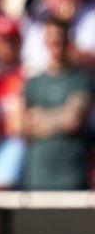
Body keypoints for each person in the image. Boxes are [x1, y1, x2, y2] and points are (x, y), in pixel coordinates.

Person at [21, 20, 92, 190]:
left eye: (60, 38)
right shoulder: (33, 83)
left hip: (71, 174)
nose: (56, 43)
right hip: (36, 176)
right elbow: (20, 125)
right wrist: (60, 117)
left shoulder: (82, 80)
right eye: (51, 37)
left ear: (69, 41)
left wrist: (39, 118)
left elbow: (73, 120)